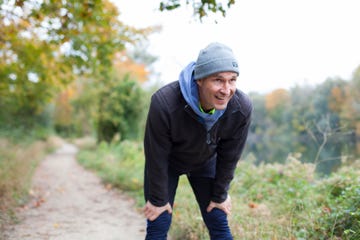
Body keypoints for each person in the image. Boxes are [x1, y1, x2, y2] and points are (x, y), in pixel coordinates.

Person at [143, 42, 252, 239]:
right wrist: (158, 200)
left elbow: (230, 156)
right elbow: (156, 154)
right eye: (218, 80)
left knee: (218, 218)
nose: (226, 90)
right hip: (167, 164)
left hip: (205, 161)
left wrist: (220, 195)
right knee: (159, 221)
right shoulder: (164, 103)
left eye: (232, 80)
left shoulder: (240, 108)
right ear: (199, 79)